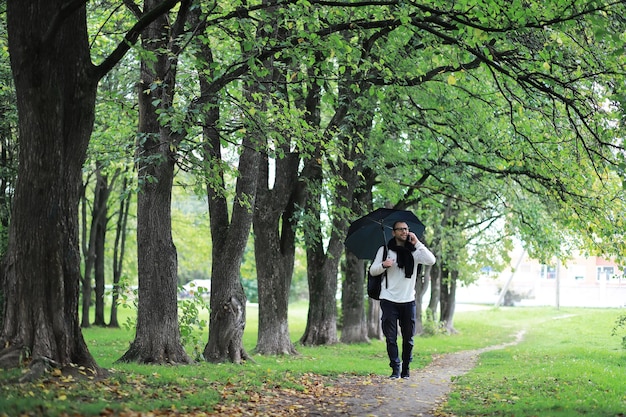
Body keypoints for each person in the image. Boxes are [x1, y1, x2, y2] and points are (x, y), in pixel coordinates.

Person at [369, 221, 436, 379]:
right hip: (388, 299)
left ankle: (406, 368)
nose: (404, 232)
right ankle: (395, 369)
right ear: (393, 232)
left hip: (408, 300)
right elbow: (373, 270)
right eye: (400, 229)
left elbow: (431, 260)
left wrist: (418, 242)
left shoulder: (415, 252)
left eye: (406, 229)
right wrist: (384, 265)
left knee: (408, 338)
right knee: (391, 337)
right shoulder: (384, 250)